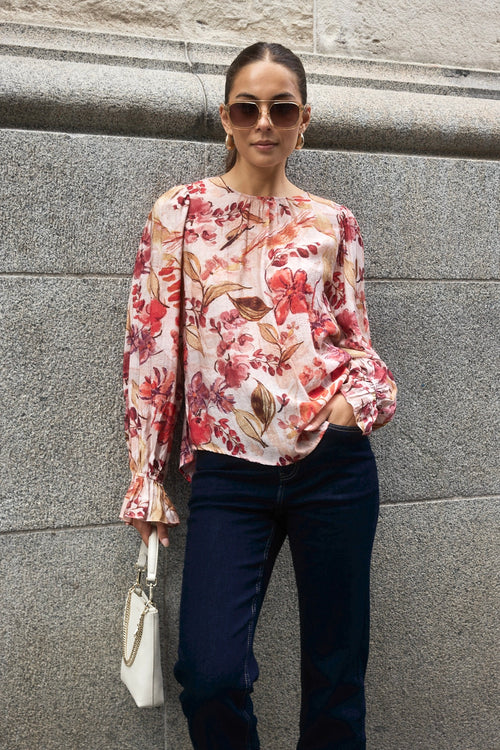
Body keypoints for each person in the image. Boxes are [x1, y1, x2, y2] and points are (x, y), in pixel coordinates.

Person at [120, 41, 397, 750]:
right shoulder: (179, 212)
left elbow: (357, 343)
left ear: (305, 119)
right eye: (248, 107)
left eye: (281, 108)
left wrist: (353, 408)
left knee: (337, 679)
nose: (263, 122)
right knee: (209, 673)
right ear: (225, 117)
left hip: (333, 469)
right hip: (229, 472)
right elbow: (152, 345)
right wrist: (146, 478)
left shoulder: (334, 222)